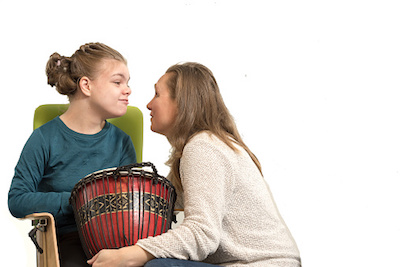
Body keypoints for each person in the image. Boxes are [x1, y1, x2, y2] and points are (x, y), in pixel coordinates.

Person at [87, 62, 301, 267]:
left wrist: (131, 254)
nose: (149, 104)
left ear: (182, 102)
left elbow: (202, 234)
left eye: (157, 94)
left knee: (158, 265)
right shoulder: (202, 148)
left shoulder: (204, 147)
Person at [8, 42, 137, 267]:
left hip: (118, 242)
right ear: (86, 85)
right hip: (67, 240)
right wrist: (78, 201)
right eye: (117, 82)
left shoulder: (122, 142)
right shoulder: (44, 139)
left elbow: (129, 202)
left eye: (127, 83)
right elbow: (17, 199)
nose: (127, 90)